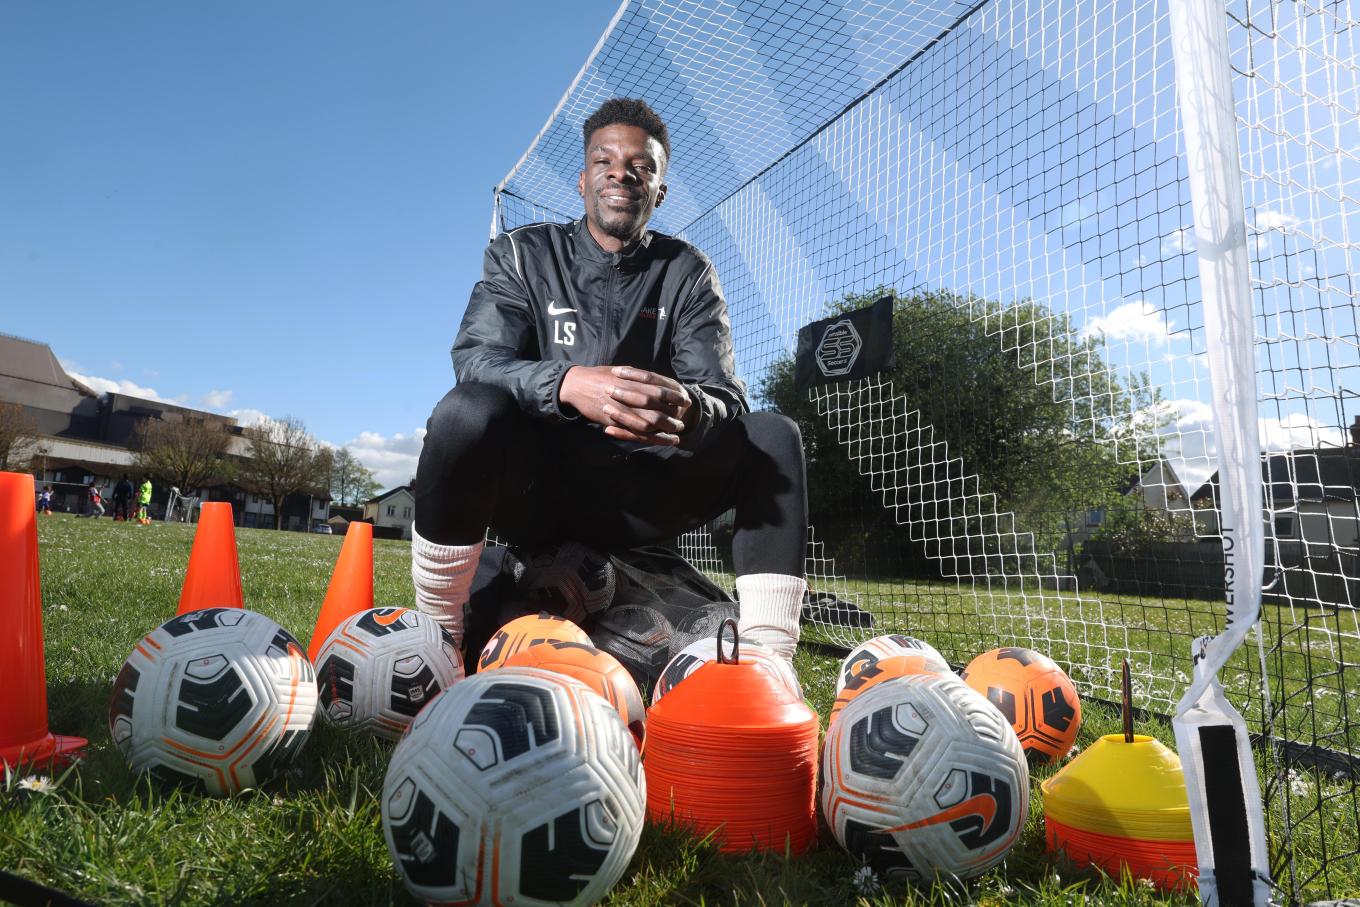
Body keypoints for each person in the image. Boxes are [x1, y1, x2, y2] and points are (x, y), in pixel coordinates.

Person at [412, 98, 808, 668]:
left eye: (642, 166)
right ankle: (439, 638)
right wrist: (569, 383)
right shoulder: (522, 254)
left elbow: (725, 395)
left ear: (659, 191)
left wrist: (690, 409)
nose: (622, 172)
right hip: (535, 491)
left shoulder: (686, 271)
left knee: (773, 436)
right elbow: (477, 359)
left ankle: (769, 663)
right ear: (583, 180)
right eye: (605, 161)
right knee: (464, 411)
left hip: (638, 493)